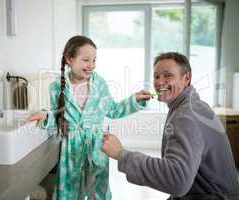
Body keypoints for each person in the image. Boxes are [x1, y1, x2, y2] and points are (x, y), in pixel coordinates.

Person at [102, 52, 239, 200]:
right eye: (156, 76)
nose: (160, 82)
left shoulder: (186, 116)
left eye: (168, 75)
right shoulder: (192, 106)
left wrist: (121, 154)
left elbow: (177, 180)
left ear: (186, 78)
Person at [27, 35, 150, 200]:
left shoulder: (99, 84)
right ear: (69, 59)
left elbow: (113, 110)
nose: (91, 65)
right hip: (71, 148)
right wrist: (46, 116)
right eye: (86, 60)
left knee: (97, 192)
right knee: (70, 190)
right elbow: (59, 118)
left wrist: (134, 100)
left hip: (96, 145)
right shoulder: (57, 86)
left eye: (94, 60)